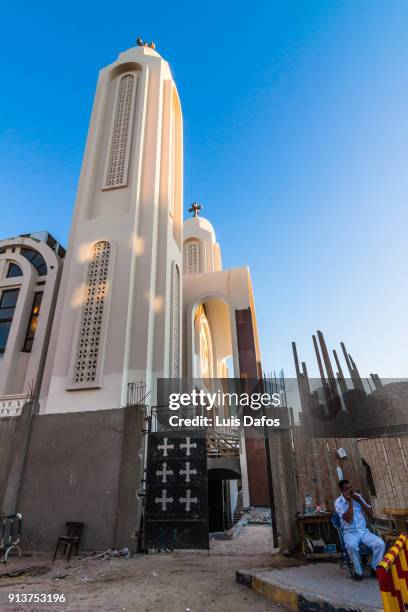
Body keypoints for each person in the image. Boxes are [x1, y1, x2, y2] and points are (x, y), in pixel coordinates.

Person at [335, 479, 385, 580]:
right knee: (351, 546)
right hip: (350, 532)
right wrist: (349, 503)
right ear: (341, 490)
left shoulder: (358, 497)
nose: (350, 491)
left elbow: (371, 513)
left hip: (363, 531)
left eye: (350, 488)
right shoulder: (338, 502)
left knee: (380, 544)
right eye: (346, 489)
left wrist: (359, 501)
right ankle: (358, 572)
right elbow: (348, 519)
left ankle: (374, 568)